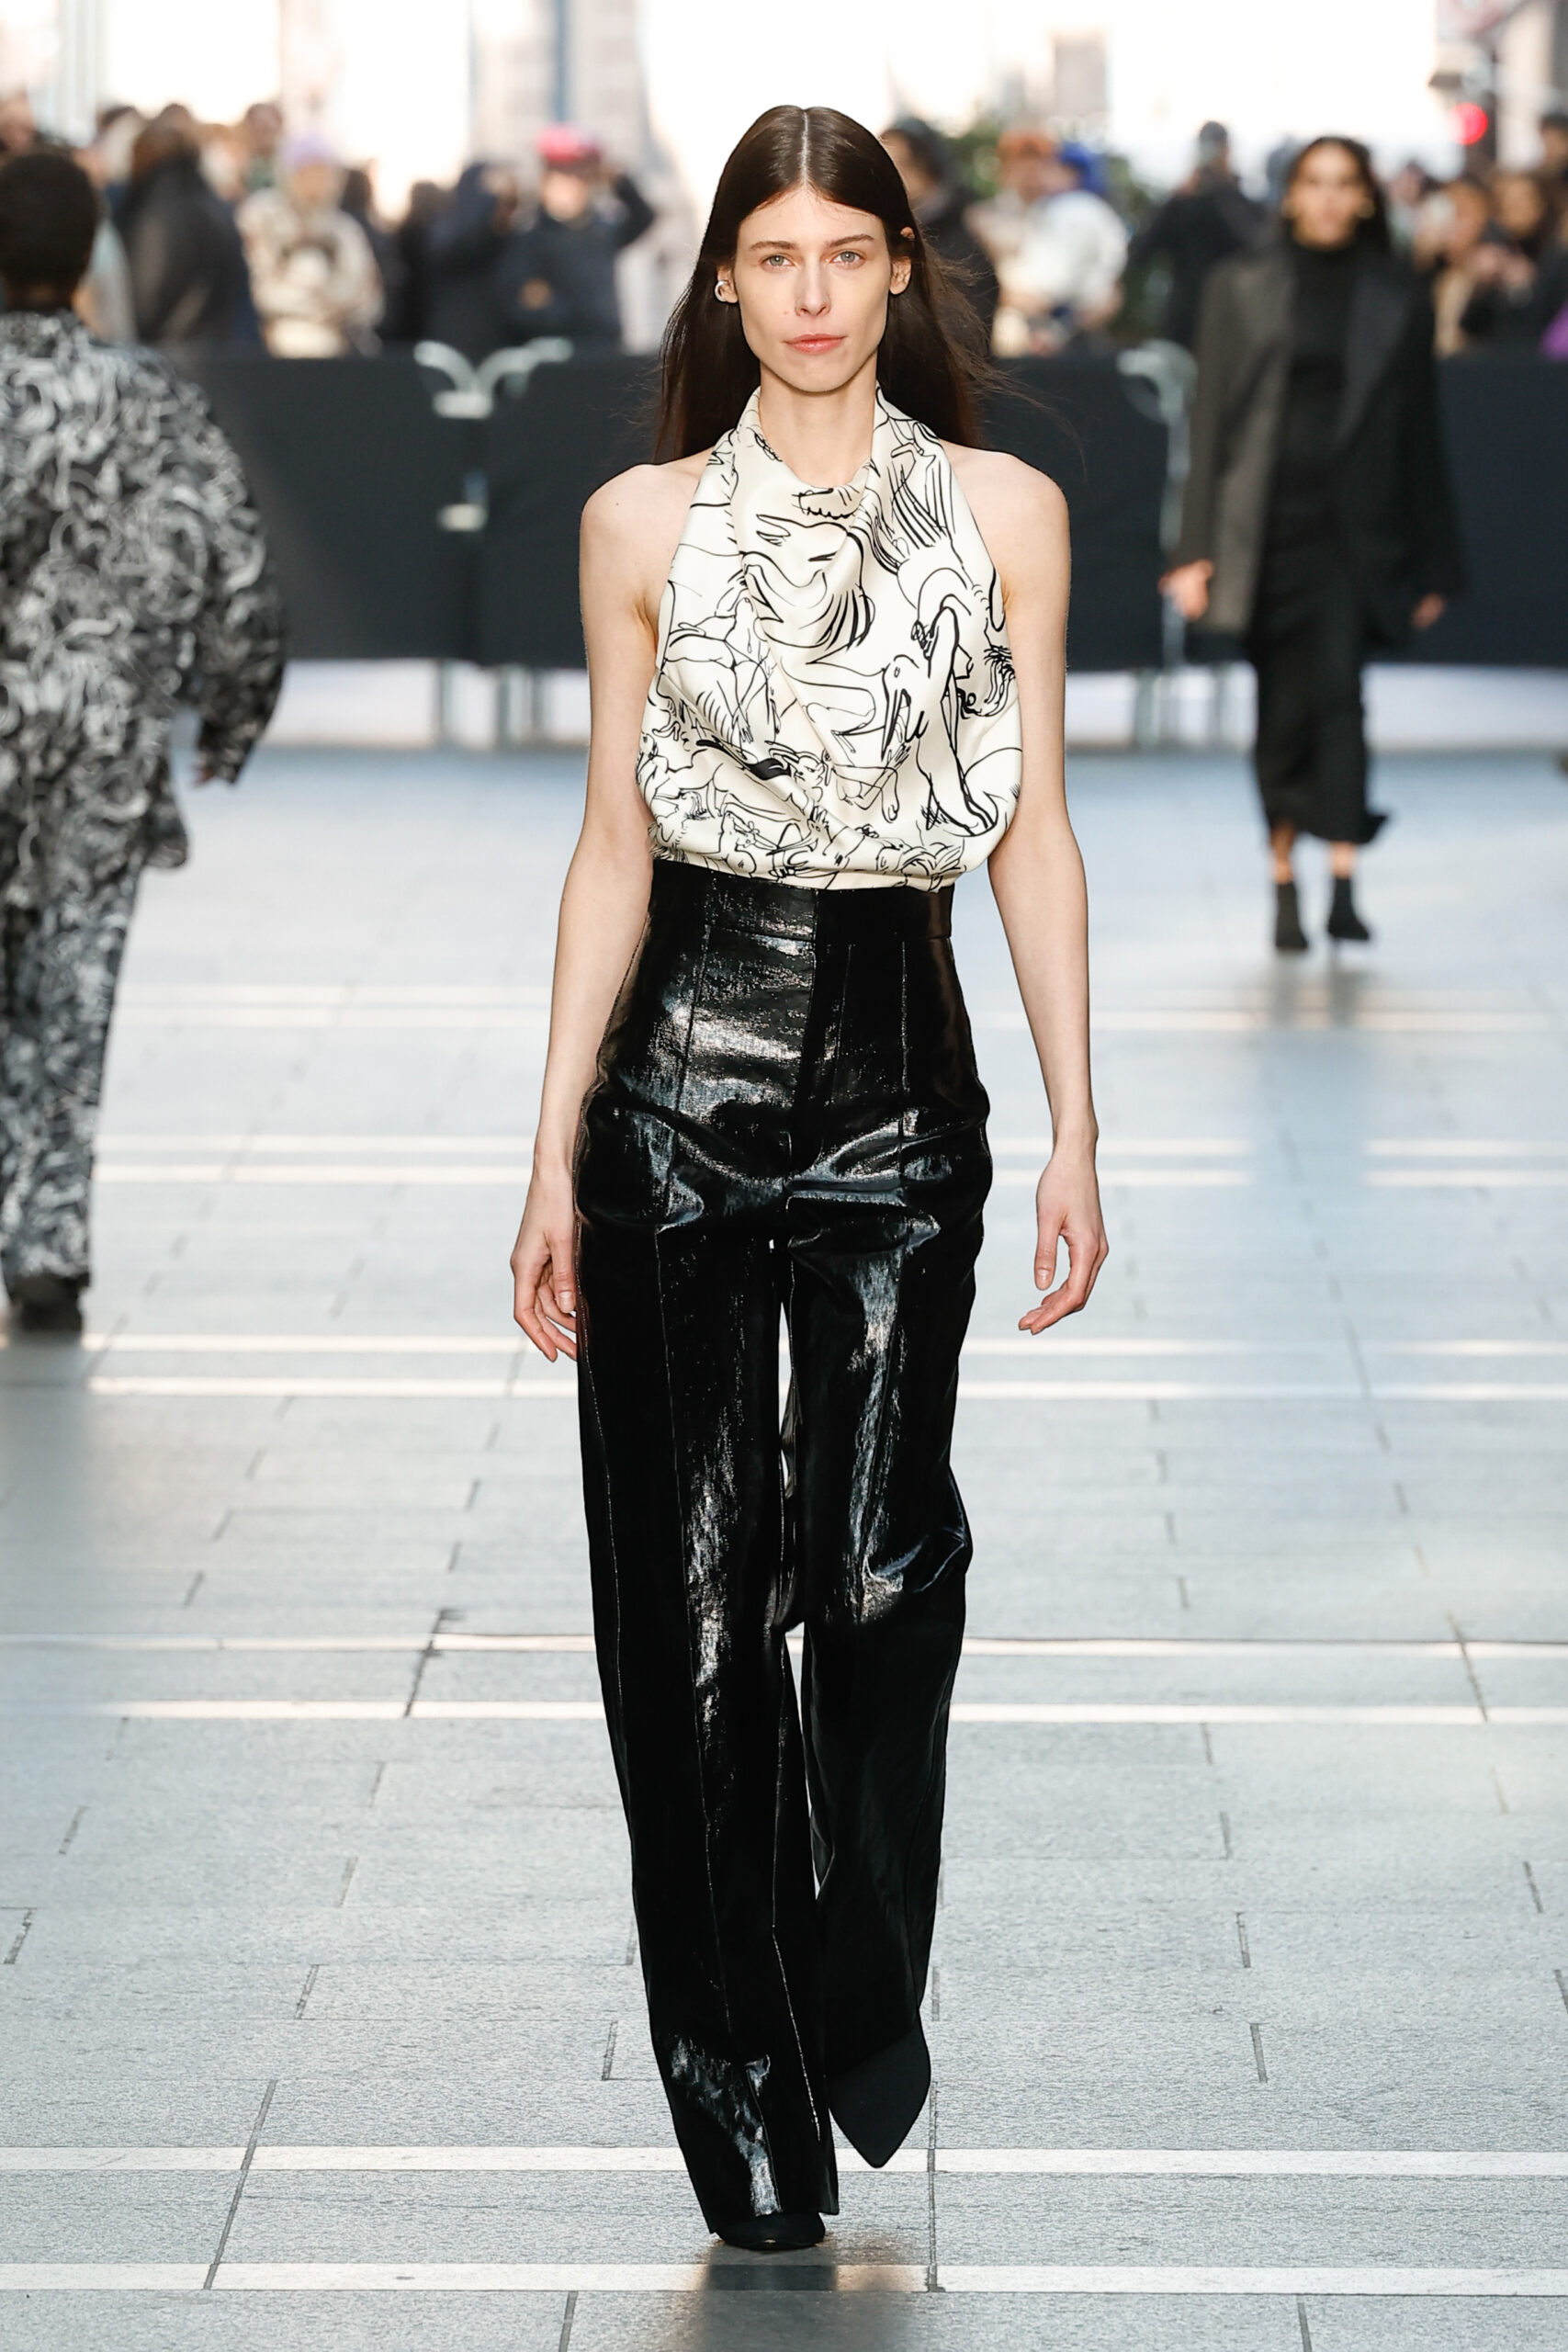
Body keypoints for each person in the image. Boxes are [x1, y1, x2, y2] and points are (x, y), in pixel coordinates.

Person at [508, 102, 1106, 2253]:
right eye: (773, 255)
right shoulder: (639, 521)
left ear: (899, 270)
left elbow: (1031, 829)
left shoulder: (1005, 515)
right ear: (725, 283)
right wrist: (546, 1150)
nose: (812, 291)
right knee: (683, 1601)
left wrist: (1076, 1120)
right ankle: (741, 2082)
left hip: (897, 1073)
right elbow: (609, 840)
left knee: (871, 1569)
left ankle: (850, 1971)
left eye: (847, 252)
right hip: (672, 1071)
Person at [0, 150, 284, 1332]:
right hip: (103, 748)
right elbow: (237, 563)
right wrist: (235, 709)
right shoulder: (150, 400)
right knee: (74, 987)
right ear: (86, 258)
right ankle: (49, 1235)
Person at [1164, 136, 1463, 951]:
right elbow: (1209, 424)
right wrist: (1192, 549)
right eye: (1313, 182)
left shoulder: (1396, 294)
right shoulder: (1238, 285)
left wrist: (1436, 560)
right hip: (1261, 529)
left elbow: (1419, 434)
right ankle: (1283, 880)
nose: (1328, 198)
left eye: (1343, 184)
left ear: (1365, 198)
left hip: (1355, 532)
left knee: (1338, 695)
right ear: (1291, 195)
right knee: (1280, 707)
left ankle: (1342, 881)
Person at [493, 125, 655, 349]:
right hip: (556, 351)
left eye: (580, 177)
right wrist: (561, 313)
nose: (571, 187)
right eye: (563, 176)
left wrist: (617, 179)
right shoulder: (528, 237)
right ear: (545, 181)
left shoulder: (601, 230)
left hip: (606, 346)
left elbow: (643, 217)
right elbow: (519, 303)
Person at [238, 133, 382, 357]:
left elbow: (369, 298)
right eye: (308, 171)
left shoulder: (345, 229)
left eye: (323, 172)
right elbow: (261, 288)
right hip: (279, 346)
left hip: (341, 347)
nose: (317, 181)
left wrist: (332, 304)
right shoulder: (263, 216)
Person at [118, 114, 251, 350]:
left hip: (173, 352)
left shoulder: (156, 214)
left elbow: (147, 298)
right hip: (224, 349)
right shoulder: (212, 204)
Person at [1128, 121, 1263, 349]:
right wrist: (1175, 200)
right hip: (1187, 319)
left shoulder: (1238, 205)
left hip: (1232, 317)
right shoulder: (1182, 207)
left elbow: (1254, 245)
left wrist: (1222, 188)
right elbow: (1141, 252)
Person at [880, 116, 998, 342]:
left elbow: (965, 332)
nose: (893, 176)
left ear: (926, 165)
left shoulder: (961, 238)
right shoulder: (890, 231)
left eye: (902, 164)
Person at [1003, 140, 1127, 352]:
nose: (1043, 174)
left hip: (1065, 319)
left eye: (1052, 168)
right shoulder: (1085, 208)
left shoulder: (1074, 209)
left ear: (1073, 174)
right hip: (1058, 319)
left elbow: (1058, 279)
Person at [423, 161, 524, 359]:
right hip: (456, 348)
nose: (507, 211)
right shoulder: (447, 231)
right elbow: (458, 249)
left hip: (501, 348)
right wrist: (486, 206)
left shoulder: (515, 242)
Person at [1458, 170, 1568, 351]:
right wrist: (1480, 285)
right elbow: (1469, 326)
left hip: (1536, 359)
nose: (1517, 210)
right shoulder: (1496, 252)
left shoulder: (1557, 258)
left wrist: (1526, 287)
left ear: (1542, 204)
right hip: (1492, 357)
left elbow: (1550, 326)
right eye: (1509, 203)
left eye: (1524, 201)